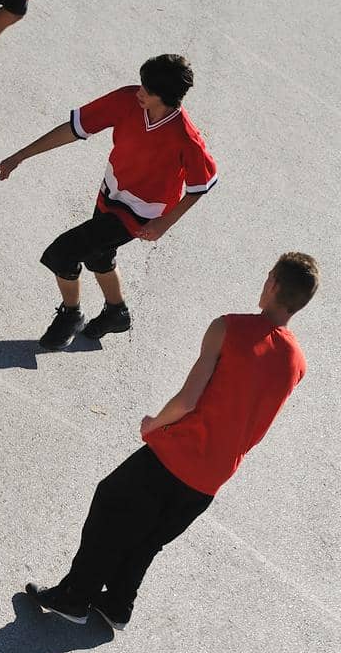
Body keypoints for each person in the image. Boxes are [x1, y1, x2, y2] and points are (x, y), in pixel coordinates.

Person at [26, 253, 319, 629]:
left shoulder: (228, 328)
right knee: (149, 536)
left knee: (110, 502)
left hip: (177, 455)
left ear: (274, 284)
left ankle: (75, 597)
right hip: (213, 476)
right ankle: (117, 605)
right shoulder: (297, 363)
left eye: (268, 277)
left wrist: (153, 425)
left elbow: (188, 399)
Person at [0, 54, 217, 346]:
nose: (139, 92)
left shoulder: (186, 139)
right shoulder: (127, 101)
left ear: (166, 97)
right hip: (110, 193)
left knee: (62, 254)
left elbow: (201, 185)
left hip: (140, 213)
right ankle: (116, 313)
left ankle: (70, 314)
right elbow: (75, 129)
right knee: (98, 256)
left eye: (147, 89)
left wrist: (164, 223)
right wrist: (20, 156)